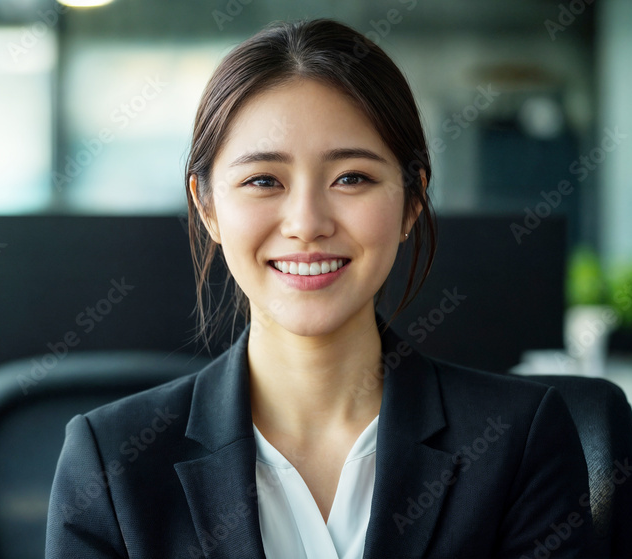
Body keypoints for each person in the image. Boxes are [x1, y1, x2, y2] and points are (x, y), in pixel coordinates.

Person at [45, 18, 593, 559]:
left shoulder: (517, 441)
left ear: (412, 198)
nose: (307, 223)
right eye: (264, 180)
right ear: (207, 206)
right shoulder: (112, 462)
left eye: (351, 177)